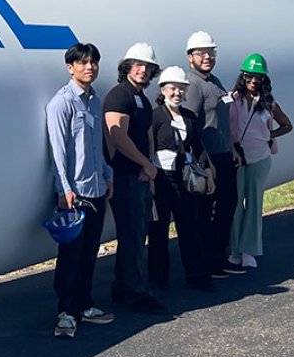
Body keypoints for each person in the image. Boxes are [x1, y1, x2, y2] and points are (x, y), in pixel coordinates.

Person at [45, 43, 116, 338]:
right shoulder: (61, 103)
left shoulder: (94, 102)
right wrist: (64, 188)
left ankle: (85, 305)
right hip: (76, 193)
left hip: (96, 188)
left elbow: (98, 145)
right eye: (83, 62)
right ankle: (66, 312)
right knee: (71, 255)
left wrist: (107, 174)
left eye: (94, 62)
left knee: (89, 253)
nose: (90, 67)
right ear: (70, 67)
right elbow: (57, 151)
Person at [103, 43, 169, 315]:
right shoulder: (120, 96)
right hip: (126, 177)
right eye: (138, 65)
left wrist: (151, 168)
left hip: (142, 176)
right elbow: (118, 136)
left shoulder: (141, 97)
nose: (143, 70)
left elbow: (148, 134)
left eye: (148, 67)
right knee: (131, 238)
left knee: (136, 236)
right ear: (127, 67)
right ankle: (137, 294)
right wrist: (145, 164)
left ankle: (122, 287)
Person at [181, 31, 244, 277]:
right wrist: (204, 163)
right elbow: (190, 127)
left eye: (211, 52)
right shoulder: (193, 85)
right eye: (201, 53)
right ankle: (208, 263)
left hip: (225, 155)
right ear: (190, 57)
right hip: (207, 161)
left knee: (228, 206)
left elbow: (223, 119)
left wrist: (233, 148)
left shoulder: (215, 81)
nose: (207, 57)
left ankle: (220, 256)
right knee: (205, 213)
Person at [146, 66, 215, 292]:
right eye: (173, 88)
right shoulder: (155, 116)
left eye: (181, 89)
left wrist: (208, 172)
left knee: (189, 228)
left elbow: (199, 147)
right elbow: (148, 148)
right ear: (163, 89)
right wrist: (151, 180)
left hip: (184, 178)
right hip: (162, 179)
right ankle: (159, 279)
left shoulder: (189, 117)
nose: (177, 93)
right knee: (158, 231)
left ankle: (197, 277)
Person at [227, 53, 294, 269]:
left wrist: (268, 136)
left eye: (259, 78)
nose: (254, 81)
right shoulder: (232, 100)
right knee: (235, 204)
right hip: (236, 158)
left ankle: (249, 251)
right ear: (243, 76)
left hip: (260, 158)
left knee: (254, 204)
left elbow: (287, 125)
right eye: (250, 76)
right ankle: (234, 250)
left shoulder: (268, 103)